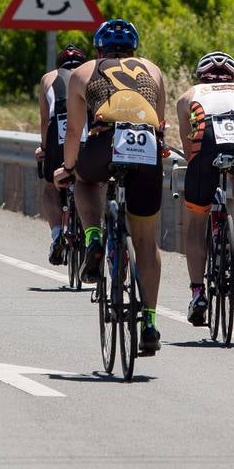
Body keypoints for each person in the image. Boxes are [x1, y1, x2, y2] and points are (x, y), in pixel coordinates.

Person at [54, 19, 167, 356]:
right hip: (145, 144)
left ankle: (92, 237)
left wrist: (68, 168)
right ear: (134, 49)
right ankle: (149, 321)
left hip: (104, 142)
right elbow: (159, 126)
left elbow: (74, 132)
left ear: (98, 48)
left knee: (85, 182)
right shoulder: (152, 70)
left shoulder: (83, 71)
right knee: (146, 240)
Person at [176, 51, 234, 325]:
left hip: (206, 138)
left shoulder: (188, 95)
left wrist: (198, 168)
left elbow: (189, 149)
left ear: (202, 75)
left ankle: (198, 293)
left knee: (196, 222)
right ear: (231, 76)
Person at [35, 44, 87, 264]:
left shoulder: (48, 78)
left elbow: (45, 120)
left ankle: (57, 234)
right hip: (86, 125)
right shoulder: (91, 73)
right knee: (91, 182)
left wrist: (45, 150)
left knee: (50, 185)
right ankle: (92, 230)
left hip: (59, 127)